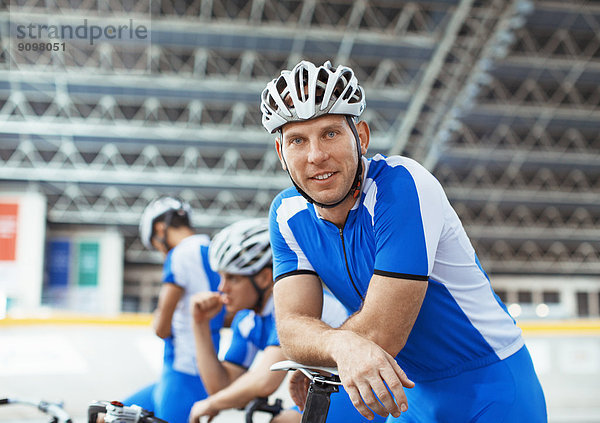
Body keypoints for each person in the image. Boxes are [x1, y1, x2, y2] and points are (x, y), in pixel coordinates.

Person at [263, 60, 547, 422]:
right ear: (280, 153)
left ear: (361, 137)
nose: (316, 155)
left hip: (489, 385)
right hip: (406, 391)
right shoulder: (285, 214)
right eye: (297, 140)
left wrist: (324, 351)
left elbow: (384, 332)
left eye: (331, 133)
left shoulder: (402, 186)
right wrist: (338, 347)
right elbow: (290, 330)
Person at [187, 218, 382, 423]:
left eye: (233, 278)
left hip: (364, 391)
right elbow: (221, 387)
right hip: (328, 390)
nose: (222, 288)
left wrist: (211, 404)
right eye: (221, 277)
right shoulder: (248, 320)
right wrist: (200, 325)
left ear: (263, 278)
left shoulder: (289, 306)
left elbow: (264, 382)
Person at [123, 196, 225, 423]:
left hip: (181, 372)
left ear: (160, 228)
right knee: (116, 413)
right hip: (204, 369)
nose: (161, 252)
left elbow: (161, 327)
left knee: (112, 415)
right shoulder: (213, 250)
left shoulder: (179, 254)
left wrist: (158, 318)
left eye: (156, 245)